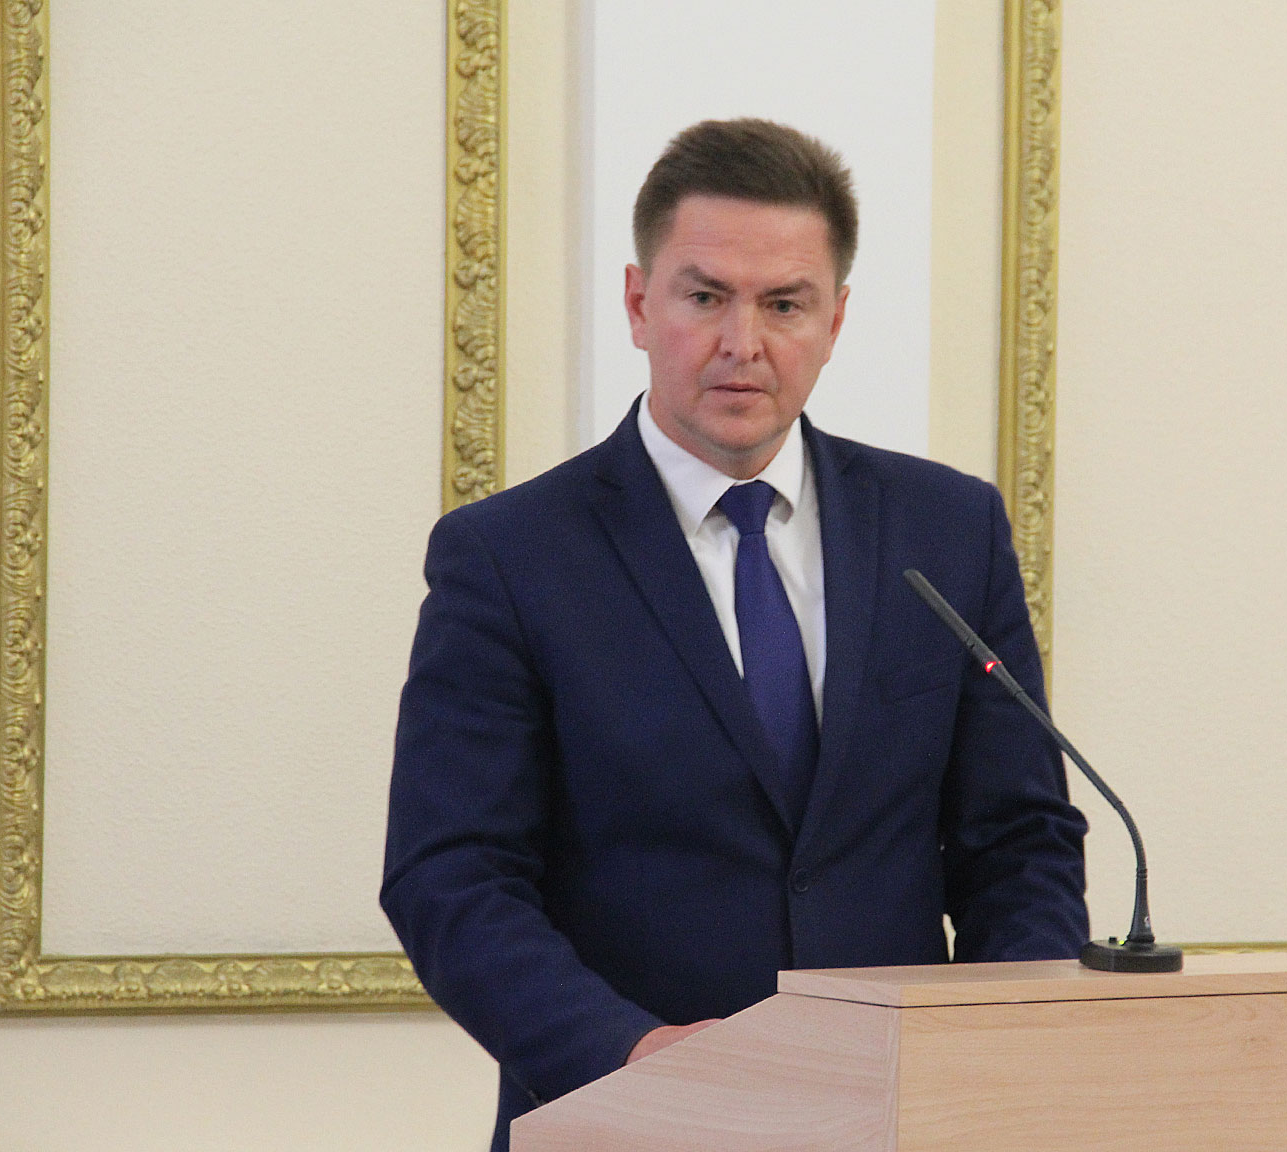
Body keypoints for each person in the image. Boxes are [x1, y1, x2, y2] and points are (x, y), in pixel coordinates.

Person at [381, 118, 1088, 1151]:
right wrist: (630, 1054)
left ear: (836, 319)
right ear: (639, 304)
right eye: (705, 297)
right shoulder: (510, 557)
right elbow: (449, 873)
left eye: (784, 304)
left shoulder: (947, 531)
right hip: (624, 1120)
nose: (742, 344)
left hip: (904, 1119)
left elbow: (1020, 842)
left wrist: (997, 1048)